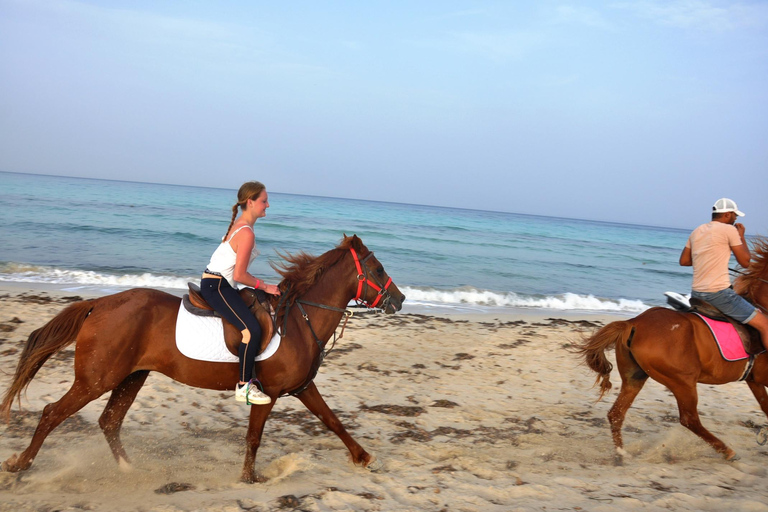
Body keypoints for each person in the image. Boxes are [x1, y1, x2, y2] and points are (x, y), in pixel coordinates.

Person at [200, 181, 281, 405]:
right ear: (250, 202)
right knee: (251, 330)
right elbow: (239, 275)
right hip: (217, 286)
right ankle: (244, 386)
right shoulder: (246, 232)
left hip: (219, 283)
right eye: (264, 201)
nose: (268, 205)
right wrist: (266, 286)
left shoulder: (241, 225)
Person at [679, 197, 768, 351]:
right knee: (765, 325)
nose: (735, 219)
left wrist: (709, 259)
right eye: (735, 215)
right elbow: (745, 262)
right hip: (719, 294)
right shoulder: (729, 230)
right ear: (727, 214)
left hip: (697, 294)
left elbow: (684, 261)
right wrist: (740, 236)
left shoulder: (697, 230)